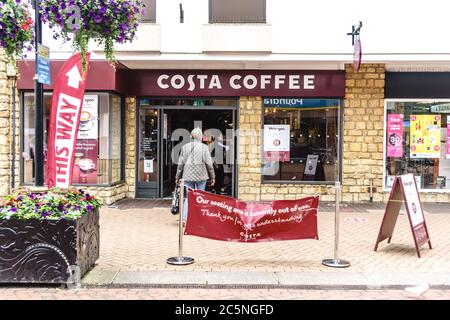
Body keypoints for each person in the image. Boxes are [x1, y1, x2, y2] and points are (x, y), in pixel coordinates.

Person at [175, 127, 215, 222]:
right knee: (200, 197)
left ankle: (184, 218)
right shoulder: (204, 147)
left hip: (188, 176)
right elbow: (209, 164)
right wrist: (212, 176)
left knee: (188, 197)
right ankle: (200, 218)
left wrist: (177, 176)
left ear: (192, 136)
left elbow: (180, 164)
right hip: (201, 176)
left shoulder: (185, 147)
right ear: (200, 137)